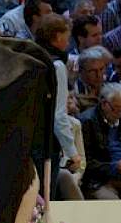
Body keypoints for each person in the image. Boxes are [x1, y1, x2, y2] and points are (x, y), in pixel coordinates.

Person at [35, 13, 84, 200]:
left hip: (27, 140)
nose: (69, 41)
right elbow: (58, 115)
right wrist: (72, 152)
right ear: (56, 36)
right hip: (45, 145)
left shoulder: (31, 56)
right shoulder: (56, 66)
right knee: (44, 201)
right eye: (66, 36)